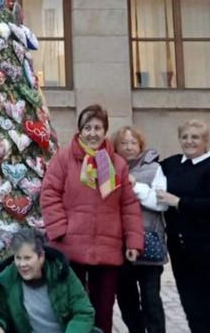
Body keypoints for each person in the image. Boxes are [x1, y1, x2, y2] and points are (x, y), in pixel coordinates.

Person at [40, 104, 144, 333]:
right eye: (88, 127)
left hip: (106, 249)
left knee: (103, 310)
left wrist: (134, 242)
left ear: (105, 131)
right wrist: (60, 230)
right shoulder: (64, 159)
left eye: (98, 128)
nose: (93, 133)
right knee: (71, 308)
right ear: (80, 130)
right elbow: (49, 194)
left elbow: (128, 205)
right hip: (71, 248)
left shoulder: (116, 163)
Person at [157, 120, 210, 333]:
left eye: (195, 137)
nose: (189, 141)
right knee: (192, 307)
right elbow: (145, 164)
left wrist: (179, 202)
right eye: (185, 137)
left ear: (205, 141)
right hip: (181, 250)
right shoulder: (172, 164)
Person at [113, 126, 168, 333]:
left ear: (141, 145)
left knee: (151, 299)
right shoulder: (109, 170)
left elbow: (161, 203)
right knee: (127, 300)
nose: (129, 147)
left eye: (133, 143)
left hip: (149, 243)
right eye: (123, 143)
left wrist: (135, 187)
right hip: (120, 245)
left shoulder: (154, 169)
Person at [0, 228, 95, 333]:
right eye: (18, 258)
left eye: (27, 258)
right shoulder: (7, 280)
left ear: (41, 257)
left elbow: (84, 312)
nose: (22, 264)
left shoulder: (61, 272)